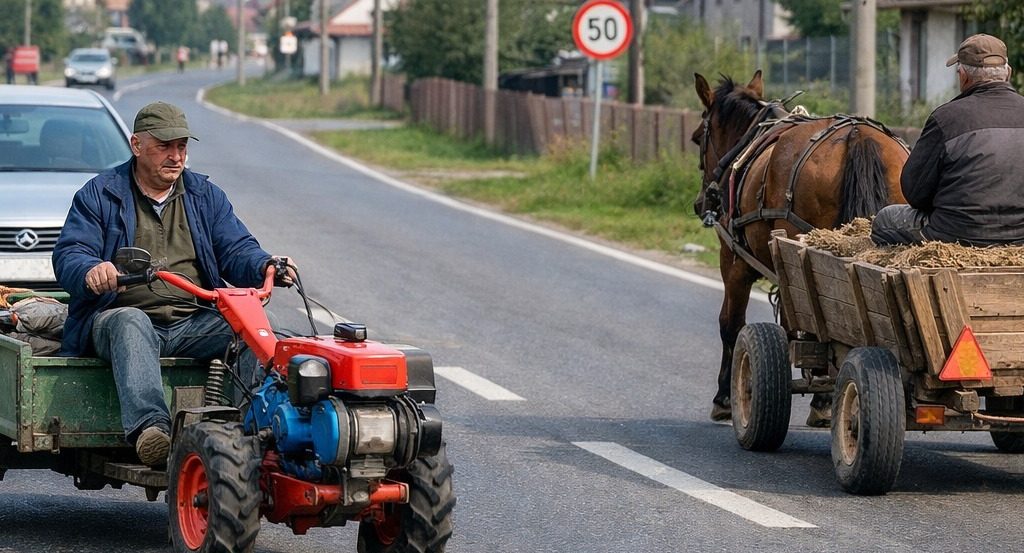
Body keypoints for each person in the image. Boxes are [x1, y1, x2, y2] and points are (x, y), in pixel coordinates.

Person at [53, 101, 293, 467]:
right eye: (164, 146)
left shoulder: (204, 195)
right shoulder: (100, 194)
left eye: (181, 146)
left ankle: (245, 430)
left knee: (253, 327)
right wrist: (91, 270)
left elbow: (236, 248)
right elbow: (70, 252)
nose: (175, 156)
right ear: (136, 146)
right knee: (130, 321)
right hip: (117, 317)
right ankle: (152, 430)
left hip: (192, 321)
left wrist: (265, 264)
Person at [871, 34, 1024, 247]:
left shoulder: (945, 119)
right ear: (1008, 73)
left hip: (956, 234)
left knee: (885, 219)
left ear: (963, 76)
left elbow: (915, 194)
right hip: (1020, 237)